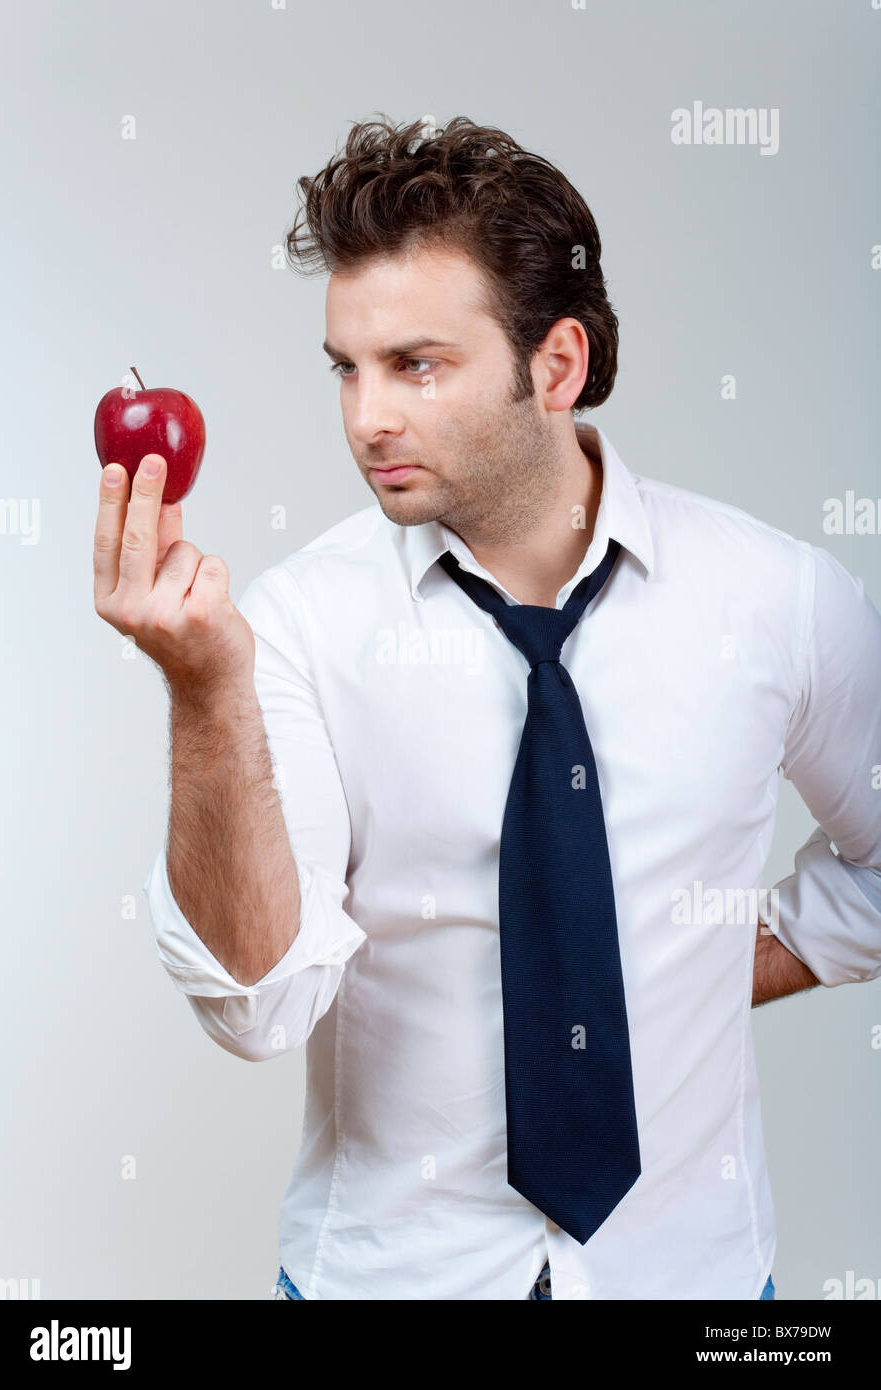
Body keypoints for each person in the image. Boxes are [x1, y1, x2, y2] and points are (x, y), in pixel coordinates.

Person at [93, 114, 881, 1301]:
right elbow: (256, 1006)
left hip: (697, 1286)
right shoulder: (296, 626)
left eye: (414, 365)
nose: (366, 419)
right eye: (346, 369)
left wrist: (698, 961)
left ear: (552, 366)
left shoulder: (780, 599)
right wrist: (204, 687)